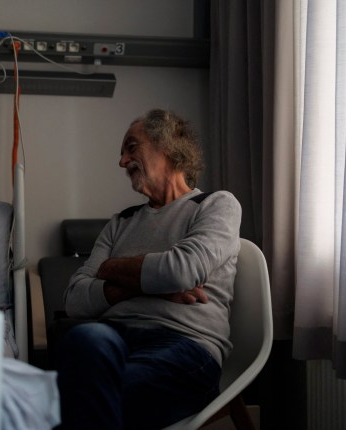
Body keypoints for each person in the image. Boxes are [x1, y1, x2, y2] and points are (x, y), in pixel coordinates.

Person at [55, 109, 242, 429]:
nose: (122, 162)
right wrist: (150, 282)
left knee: (89, 395)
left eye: (131, 147)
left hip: (185, 345)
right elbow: (74, 298)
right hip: (111, 338)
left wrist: (110, 269)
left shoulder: (216, 205)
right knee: (85, 337)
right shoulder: (120, 223)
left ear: (167, 146)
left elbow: (182, 271)